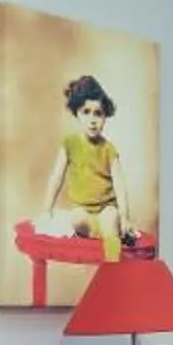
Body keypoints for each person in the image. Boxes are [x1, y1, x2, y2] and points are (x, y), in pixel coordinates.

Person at [41, 74, 136, 249]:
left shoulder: (109, 150)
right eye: (86, 112)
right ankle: (97, 234)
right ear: (77, 113)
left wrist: (124, 217)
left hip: (106, 208)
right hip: (83, 211)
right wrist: (47, 209)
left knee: (111, 218)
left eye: (98, 114)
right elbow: (56, 178)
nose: (92, 120)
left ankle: (112, 266)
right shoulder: (69, 144)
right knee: (75, 219)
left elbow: (120, 187)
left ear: (105, 117)